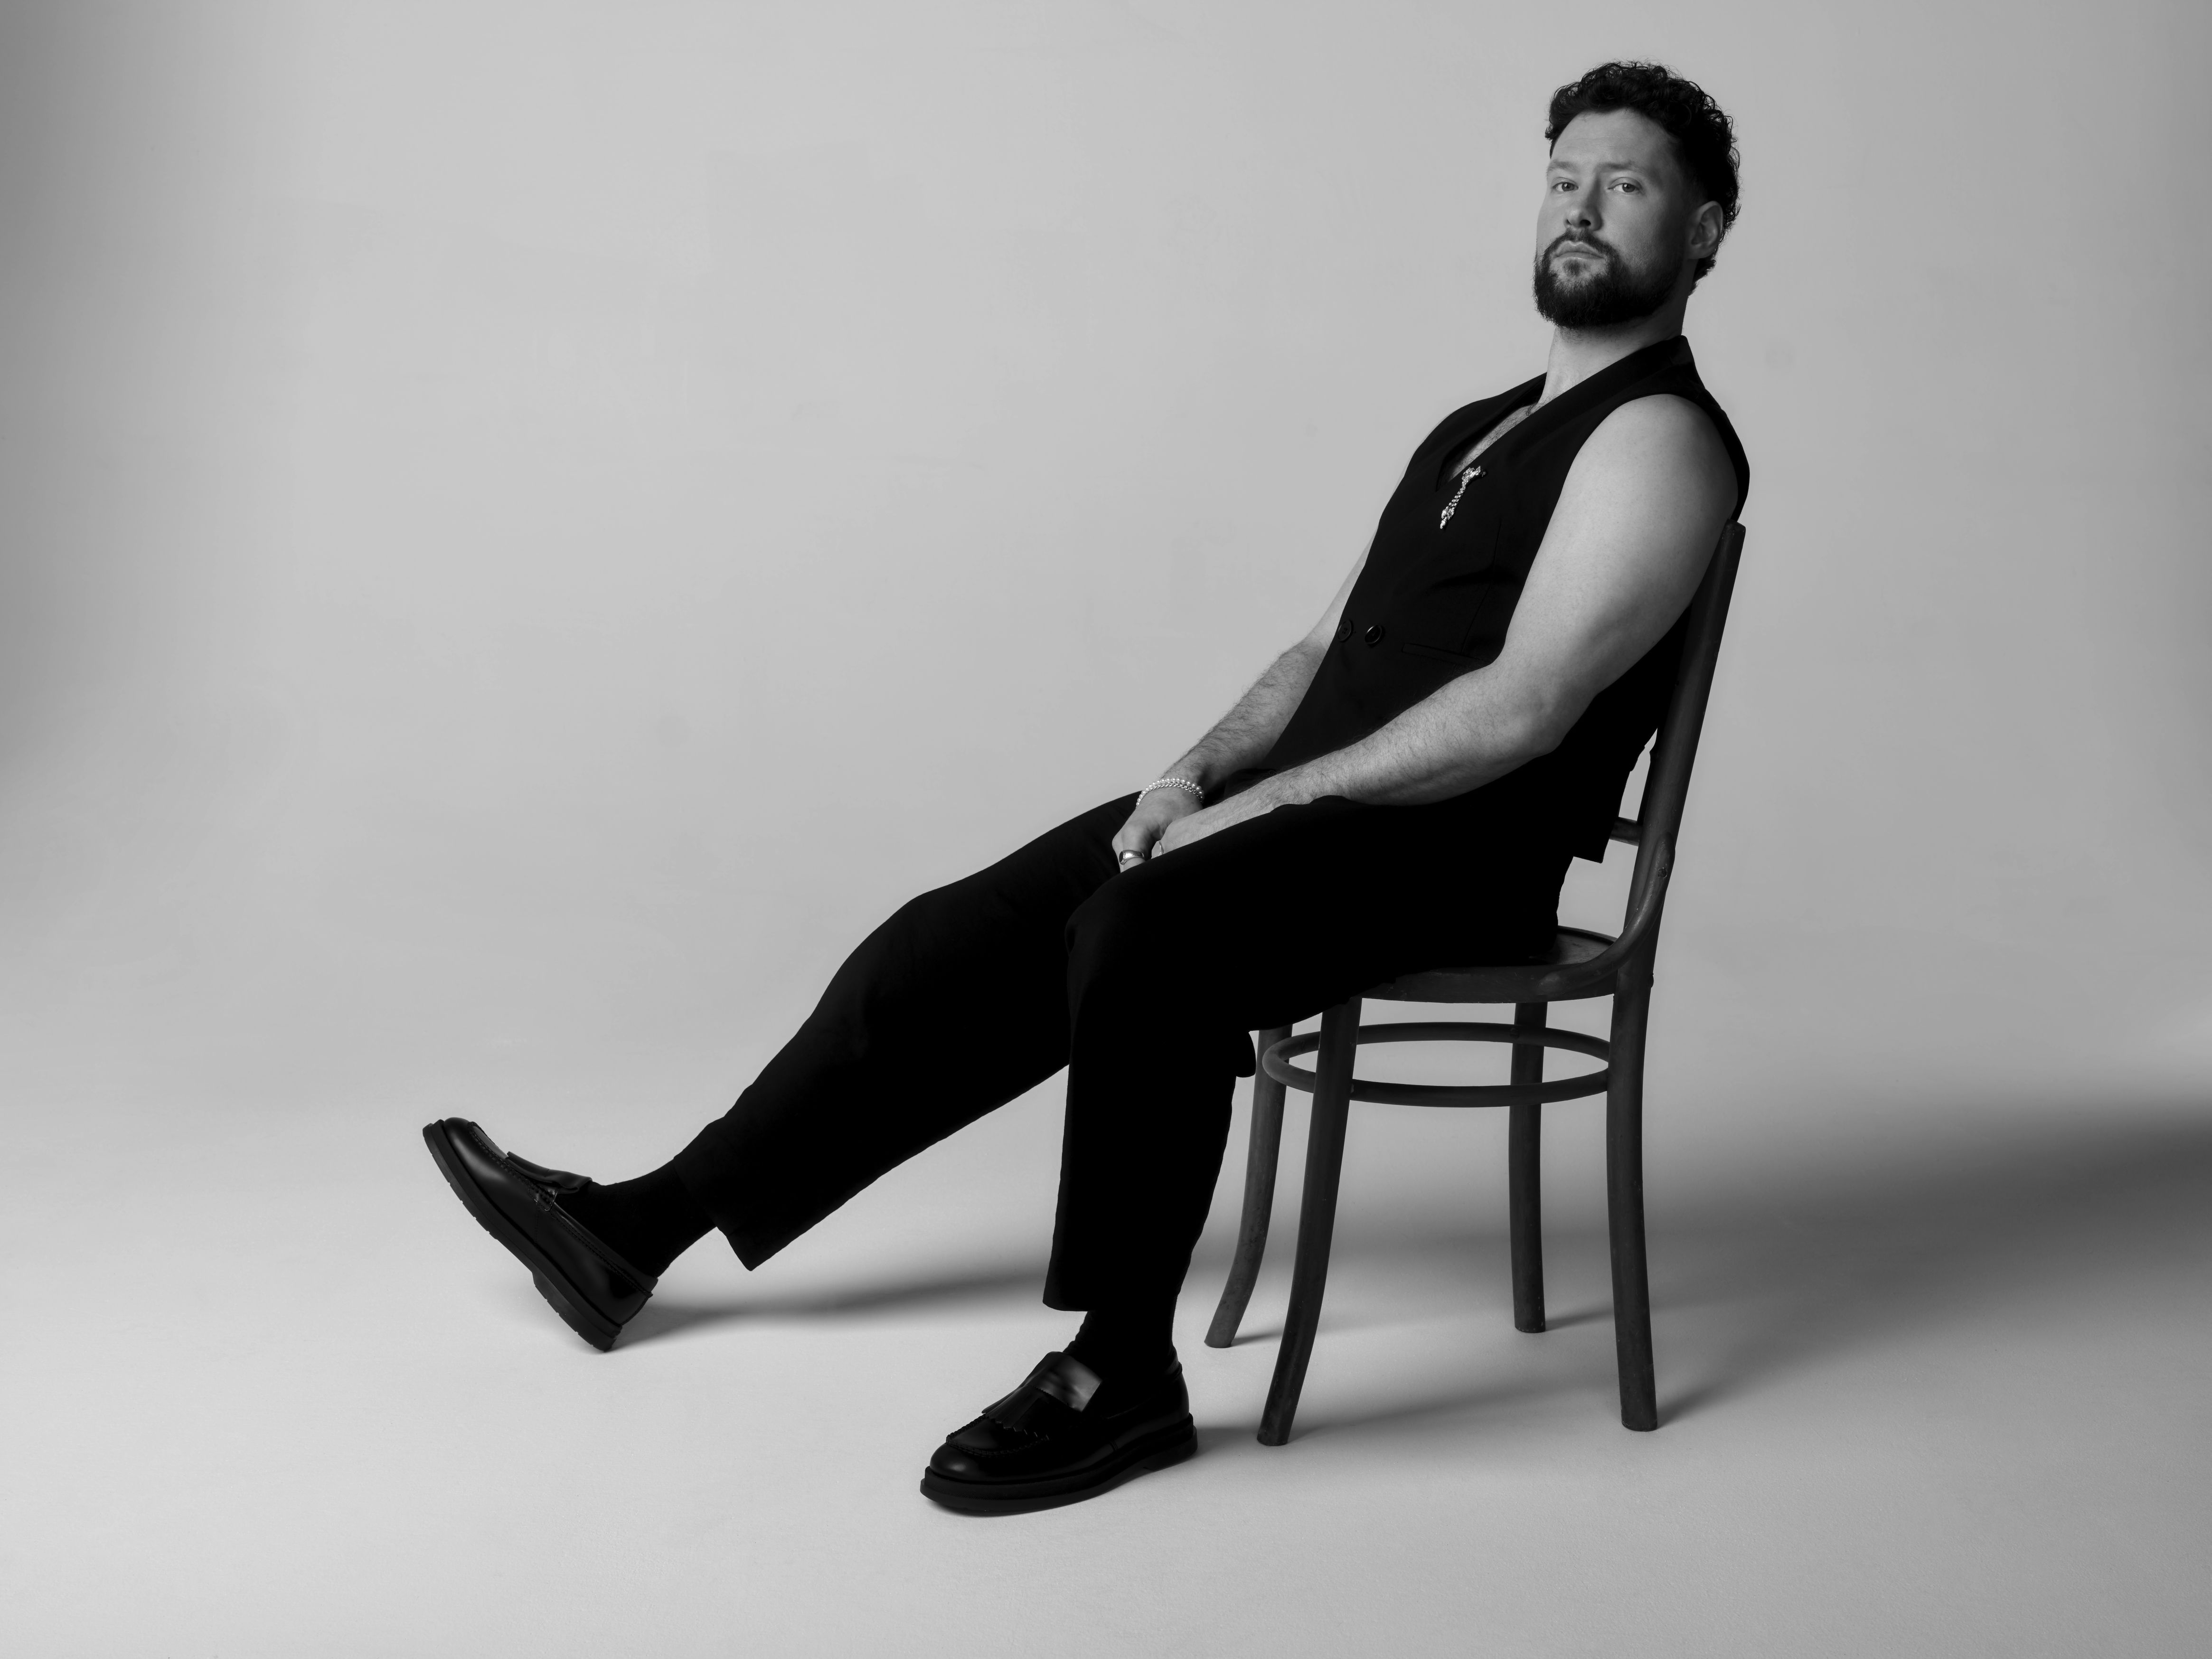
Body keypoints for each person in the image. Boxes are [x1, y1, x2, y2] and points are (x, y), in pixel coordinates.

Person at [424, 59, 1750, 1515]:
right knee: (961, 934)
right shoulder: (1474, 425)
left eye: (1624, 186)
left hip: (1447, 852)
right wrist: (1190, 777)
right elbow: (1318, 650)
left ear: (1698, 232)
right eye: (1562, 180)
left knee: (1145, 936)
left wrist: (1268, 810)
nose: (1579, 208)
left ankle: (1122, 1369)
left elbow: (1524, 706)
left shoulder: (1658, 441)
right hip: (1303, 814)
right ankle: (633, 1232)